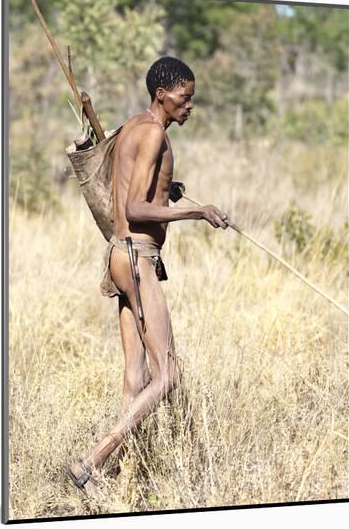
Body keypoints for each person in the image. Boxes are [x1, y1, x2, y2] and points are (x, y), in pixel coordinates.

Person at [67, 56, 228, 493]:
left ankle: (123, 477)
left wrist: (166, 187)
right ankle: (94, 459)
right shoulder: (155, 133)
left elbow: (135, 186)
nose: (190, 105)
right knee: (169, 374)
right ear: (162, 94)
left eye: (192, 97)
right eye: (185, 96)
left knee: (136, 377)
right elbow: (135, 208)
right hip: (138, 258)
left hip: (120, 256)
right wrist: (196, 210)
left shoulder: (134, 125)